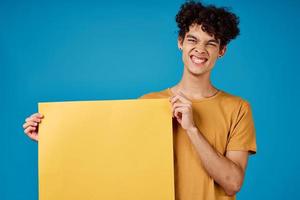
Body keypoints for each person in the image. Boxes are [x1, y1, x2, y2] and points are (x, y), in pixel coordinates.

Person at [23, 1, 257, 199]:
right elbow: (111, 160)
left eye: (211, 43)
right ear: (180, 42)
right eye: (193, 40)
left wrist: (192, 129)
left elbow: (232, 183)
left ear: (222, 50)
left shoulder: (237, 108)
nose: (200, 49)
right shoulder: (150, 104)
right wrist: (53, 140)